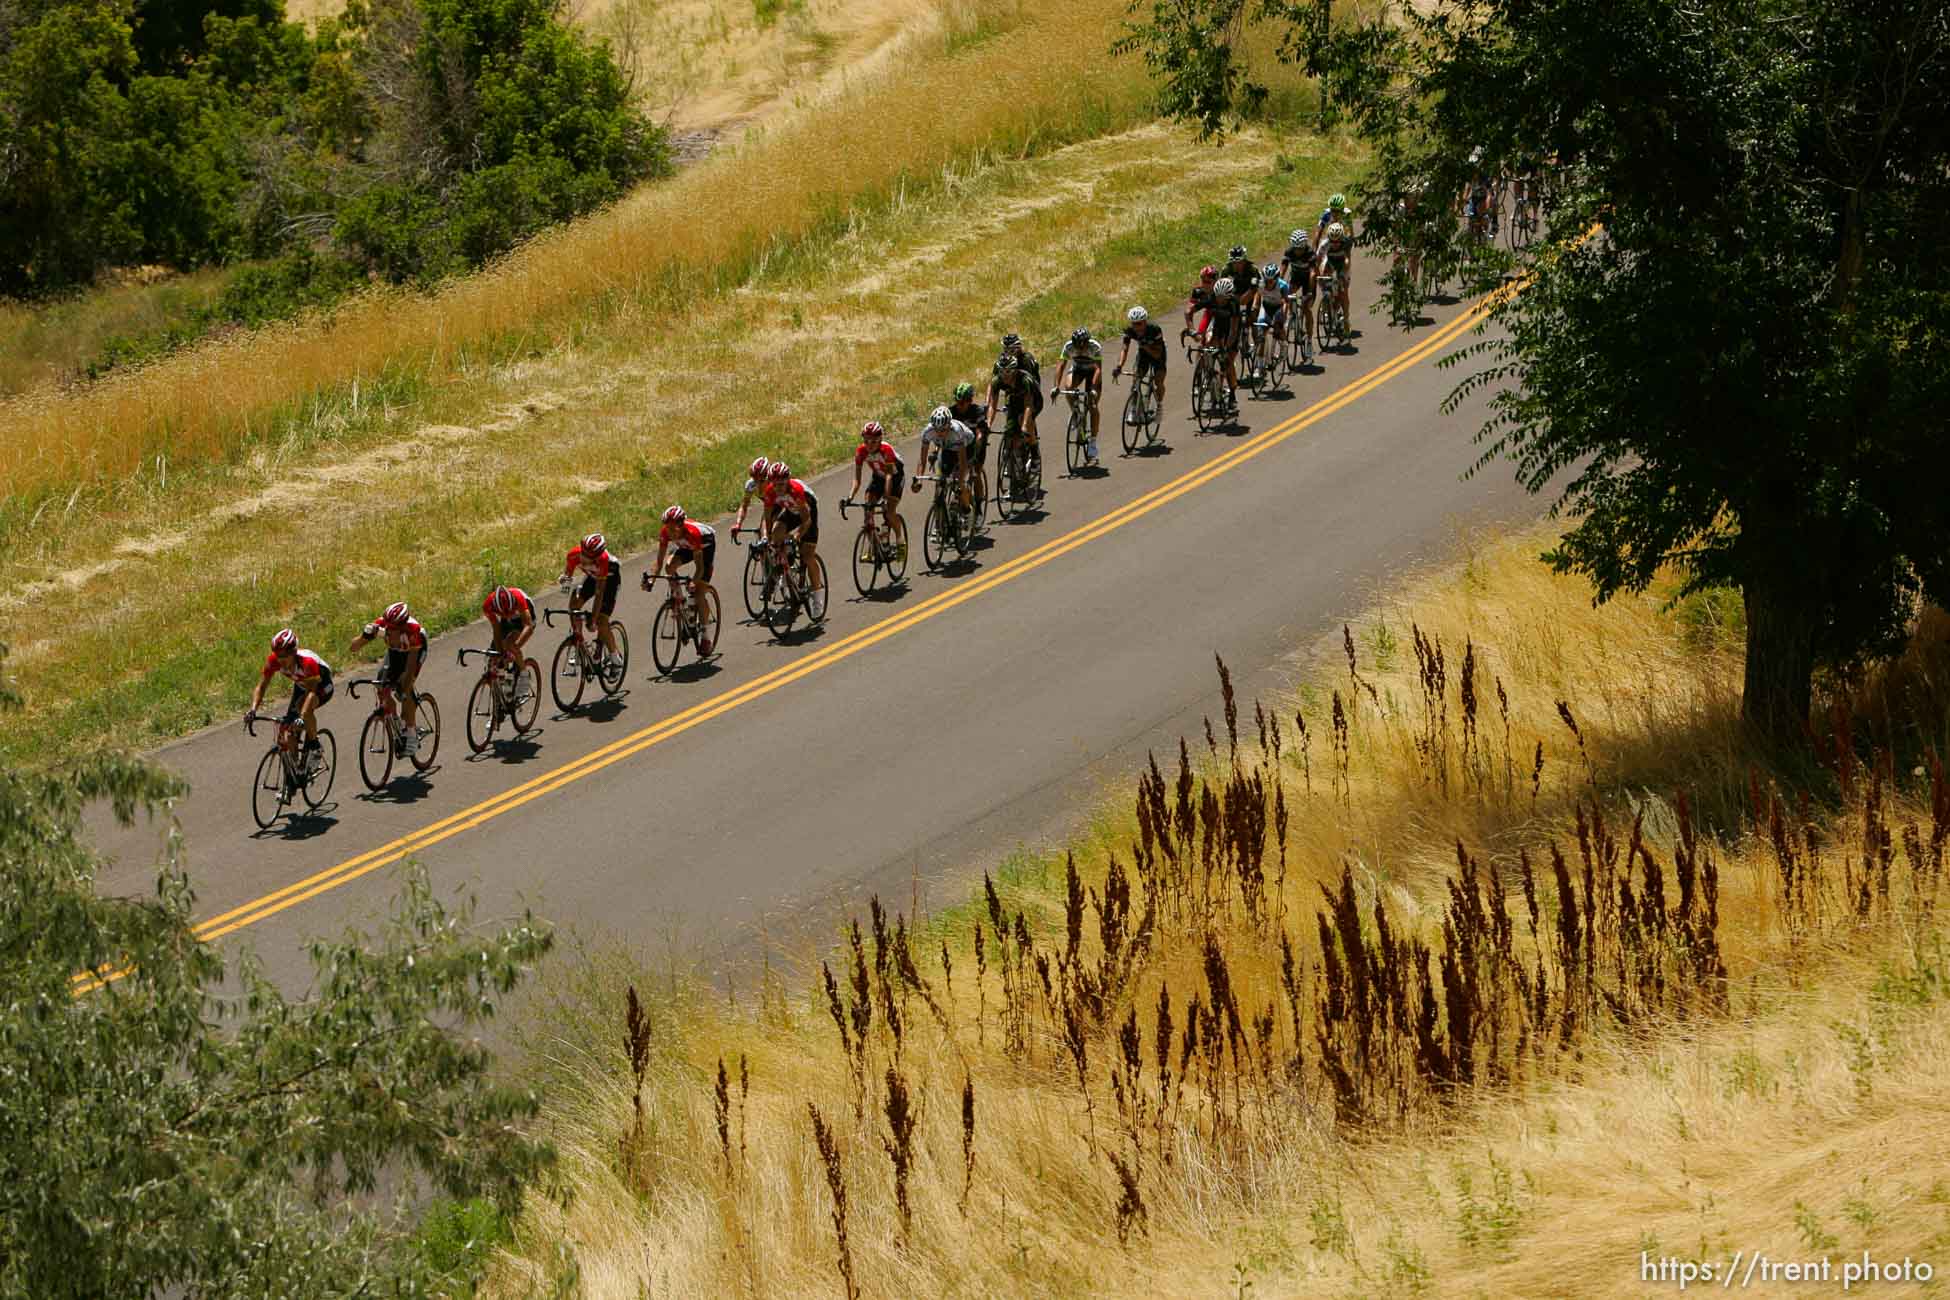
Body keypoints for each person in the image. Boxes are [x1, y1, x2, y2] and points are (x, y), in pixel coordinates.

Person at [346, 601, 428, 753]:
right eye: (388, 627)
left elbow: (410, 668)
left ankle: (411, 734)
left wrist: (404, 686)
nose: (389, 630)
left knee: (404, 690)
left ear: (403, 625)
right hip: (395, 653)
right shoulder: (382, 625)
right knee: (381, 686)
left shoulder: (413, 631)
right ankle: (396, 722)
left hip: (414, 653)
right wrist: (365, 635)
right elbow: (353, 647)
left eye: (394, 628)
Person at [248, 628, 333, 771]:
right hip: (301, 685)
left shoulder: (307, 662)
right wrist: (252, 710)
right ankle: (294, 772)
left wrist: (301, 717)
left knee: (303, 712)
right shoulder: (274, 660)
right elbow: (261, 687)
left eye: (284, 655)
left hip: (321, 686)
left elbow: (312, 692)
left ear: (293, 652)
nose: (280, 659)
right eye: (277, 654)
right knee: (287, 728)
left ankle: (315, 746)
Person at [644, 506, 718, 655]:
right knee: (669, 567)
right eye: (667, 528)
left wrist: (693, 582)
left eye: (673, 529)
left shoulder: (693, 533)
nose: (670, 532)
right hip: (686, 546)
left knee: (698, 593)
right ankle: (680, 599)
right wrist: (651, 580)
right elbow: (659, 561)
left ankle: (705, 637)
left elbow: (700, 568)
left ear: (681, 525)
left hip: (704, 547)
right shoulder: (665, 532)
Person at [561, 531, 623, 670]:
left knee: (601, 621)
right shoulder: (573, 554)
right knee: (574, 605)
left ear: (597, 555)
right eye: (583, 554)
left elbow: (599, 594)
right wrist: (564, 583)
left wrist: (593, 620)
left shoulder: (604, 561)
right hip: (592, 578)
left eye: (589, 557)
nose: (584, 559)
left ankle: (615, 656)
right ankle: (578, 646)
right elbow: (568, 577)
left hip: (609, 583)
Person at [761, 462, 822, 603]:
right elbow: (767, 518)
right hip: (790, 510)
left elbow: (806, 520)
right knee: (776, 534)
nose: (778, 488)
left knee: (807, 555)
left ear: (788, 480)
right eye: (775, 485)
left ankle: (817, 595)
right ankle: (783, 568)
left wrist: (796, 536)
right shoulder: (770, 491)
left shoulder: (796, 491)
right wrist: (765, 536)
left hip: (807, 513)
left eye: (781, 484)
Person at [849, 420, 907, 553]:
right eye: (866, 441)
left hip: (895, 478)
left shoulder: (886, 450)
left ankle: (900, 540)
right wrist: (850, 497)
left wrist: (886, 498)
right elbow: (857, 480)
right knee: (868, 509)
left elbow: (889, 476)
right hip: (878, 477)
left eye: (873, 441)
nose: (869, 445)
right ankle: (874, 547)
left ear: (880, 439)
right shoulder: (861, 451)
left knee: (890, 512)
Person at [1050, 326, 1104, 465]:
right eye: (1077, 347)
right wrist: (1056, 386)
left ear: (1088, 342)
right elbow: (1061, 365)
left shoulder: (1095, 346)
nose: (1080, 349)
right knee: (1068, 388)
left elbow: (1098, 369)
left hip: (1093, 373)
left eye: (1083, 346)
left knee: (1092, 405)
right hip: (1078, 370)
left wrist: (1092, 389)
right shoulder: (1068, 346)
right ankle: (1075, 413)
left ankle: (1092, 441)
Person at [915, 404, 976, 514]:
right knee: (941, 480)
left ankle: (968, 507)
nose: (939, 433)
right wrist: (918, 480)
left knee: (959, 482)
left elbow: (962, 462)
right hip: (948, 448)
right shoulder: (927, 432)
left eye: (943, 430)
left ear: (949, 425)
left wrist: (960, 480)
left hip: (967, 447)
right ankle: (940, 519)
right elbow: (922, 459)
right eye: (936, 429)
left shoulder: (956, 432)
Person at [986, 352, 1043, 467]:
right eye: (1001, 372)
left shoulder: (1024, 380)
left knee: (1024, 420)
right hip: (1015, 400)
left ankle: (1034, 450)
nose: (1004, 376)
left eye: (1008, 372)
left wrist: (1024, 426)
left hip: (1034, 400)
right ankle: (1013, 457)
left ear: (1015, 370)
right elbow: (992, 406)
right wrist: (988, 424)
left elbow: (1028, 406)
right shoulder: (997, 381)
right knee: (1010, 429)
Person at [1112, 305, 1168, 408]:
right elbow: (1124, 349)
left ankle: (1159, 405)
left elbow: (1157, 354)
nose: (1136, 327)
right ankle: (1135, 408)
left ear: (1145, 321)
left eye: (1139, 323)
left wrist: (1145, 346)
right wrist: (1119, 366)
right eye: (1134, 324)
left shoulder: (1155, 329)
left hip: (1158, 354)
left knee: (1158, 381)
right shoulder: (1130, 330)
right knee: (1136, 380)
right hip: (1144, 355)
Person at [1313, 193, 1356, 323]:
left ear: (1342, 209)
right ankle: (1327, 298)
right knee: (1322, 271)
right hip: (1330, 241)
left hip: (1343, 243)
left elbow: (1350, 233)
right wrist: (1314, 251)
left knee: (1343, 287)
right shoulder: (1326, 214)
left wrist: (1346, 246)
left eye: (1338, 211)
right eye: (1333, 210)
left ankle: (1346, 317)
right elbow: (1318, 232)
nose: (1335, 213)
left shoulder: (1347, 214)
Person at [1281, 230, 1318, 359]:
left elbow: (1313, 274)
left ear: (1304, 246)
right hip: (1296, 278)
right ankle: (1292, 316)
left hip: (1309, 281)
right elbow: (1283, 270)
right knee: (1288, 296)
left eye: (1300, 249)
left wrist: (1309, 293)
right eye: (1295, 248)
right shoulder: (1289, 252)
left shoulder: (1310, 254)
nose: (1297, 251)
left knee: (1306, 308)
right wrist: (1279, 284)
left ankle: (1309, 341)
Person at [482, 585, 536, 668]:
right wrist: (500, 653)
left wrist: (514, 648)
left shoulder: (519, 598)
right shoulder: (487, 606)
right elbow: (496, 629)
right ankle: (503, 674)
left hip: (523, 619)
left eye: (510, 612)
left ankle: (524, 673)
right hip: (506, 621)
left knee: (510, 645)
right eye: (503, 614)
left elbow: (529, 626)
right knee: (495, 653)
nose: (507, 615)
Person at [1252, 264, 1291, 374]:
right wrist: (1255, 307)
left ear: (1276, 279)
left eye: (1271, 281)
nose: (1268, 283)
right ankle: (1259, 367)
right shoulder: (1261, 284)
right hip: (1266, 307)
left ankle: (1284, 345)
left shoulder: (1283, 286)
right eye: (1266, 280)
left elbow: (1285, 303)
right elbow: (1257, 296)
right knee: (1261, 336)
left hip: (1279, 307)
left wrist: (1282, 317)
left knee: (1278, 326)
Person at [1317, 222, 1354, 335]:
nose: (1335, 243)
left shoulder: (1346, 242)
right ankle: (1328, 303)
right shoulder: (1324, 244)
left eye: (1337, 241)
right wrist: (1319, 276)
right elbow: (1318, 260)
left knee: (1343, 292)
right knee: (1324, 280)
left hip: (1342, 264)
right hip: (1330, 263)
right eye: (1332, 241)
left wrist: (1342, 276)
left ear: (1341, 238)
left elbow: (1347, 260)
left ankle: (1346, 319)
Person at [732, 456, 774, 536]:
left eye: (761, 480)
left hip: (782, 506)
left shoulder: (775, 485)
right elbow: (744, 505)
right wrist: (738, 524)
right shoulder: (751, 485)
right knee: (763, 534)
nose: (758, 483)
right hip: (769, 507)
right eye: (755, 478)